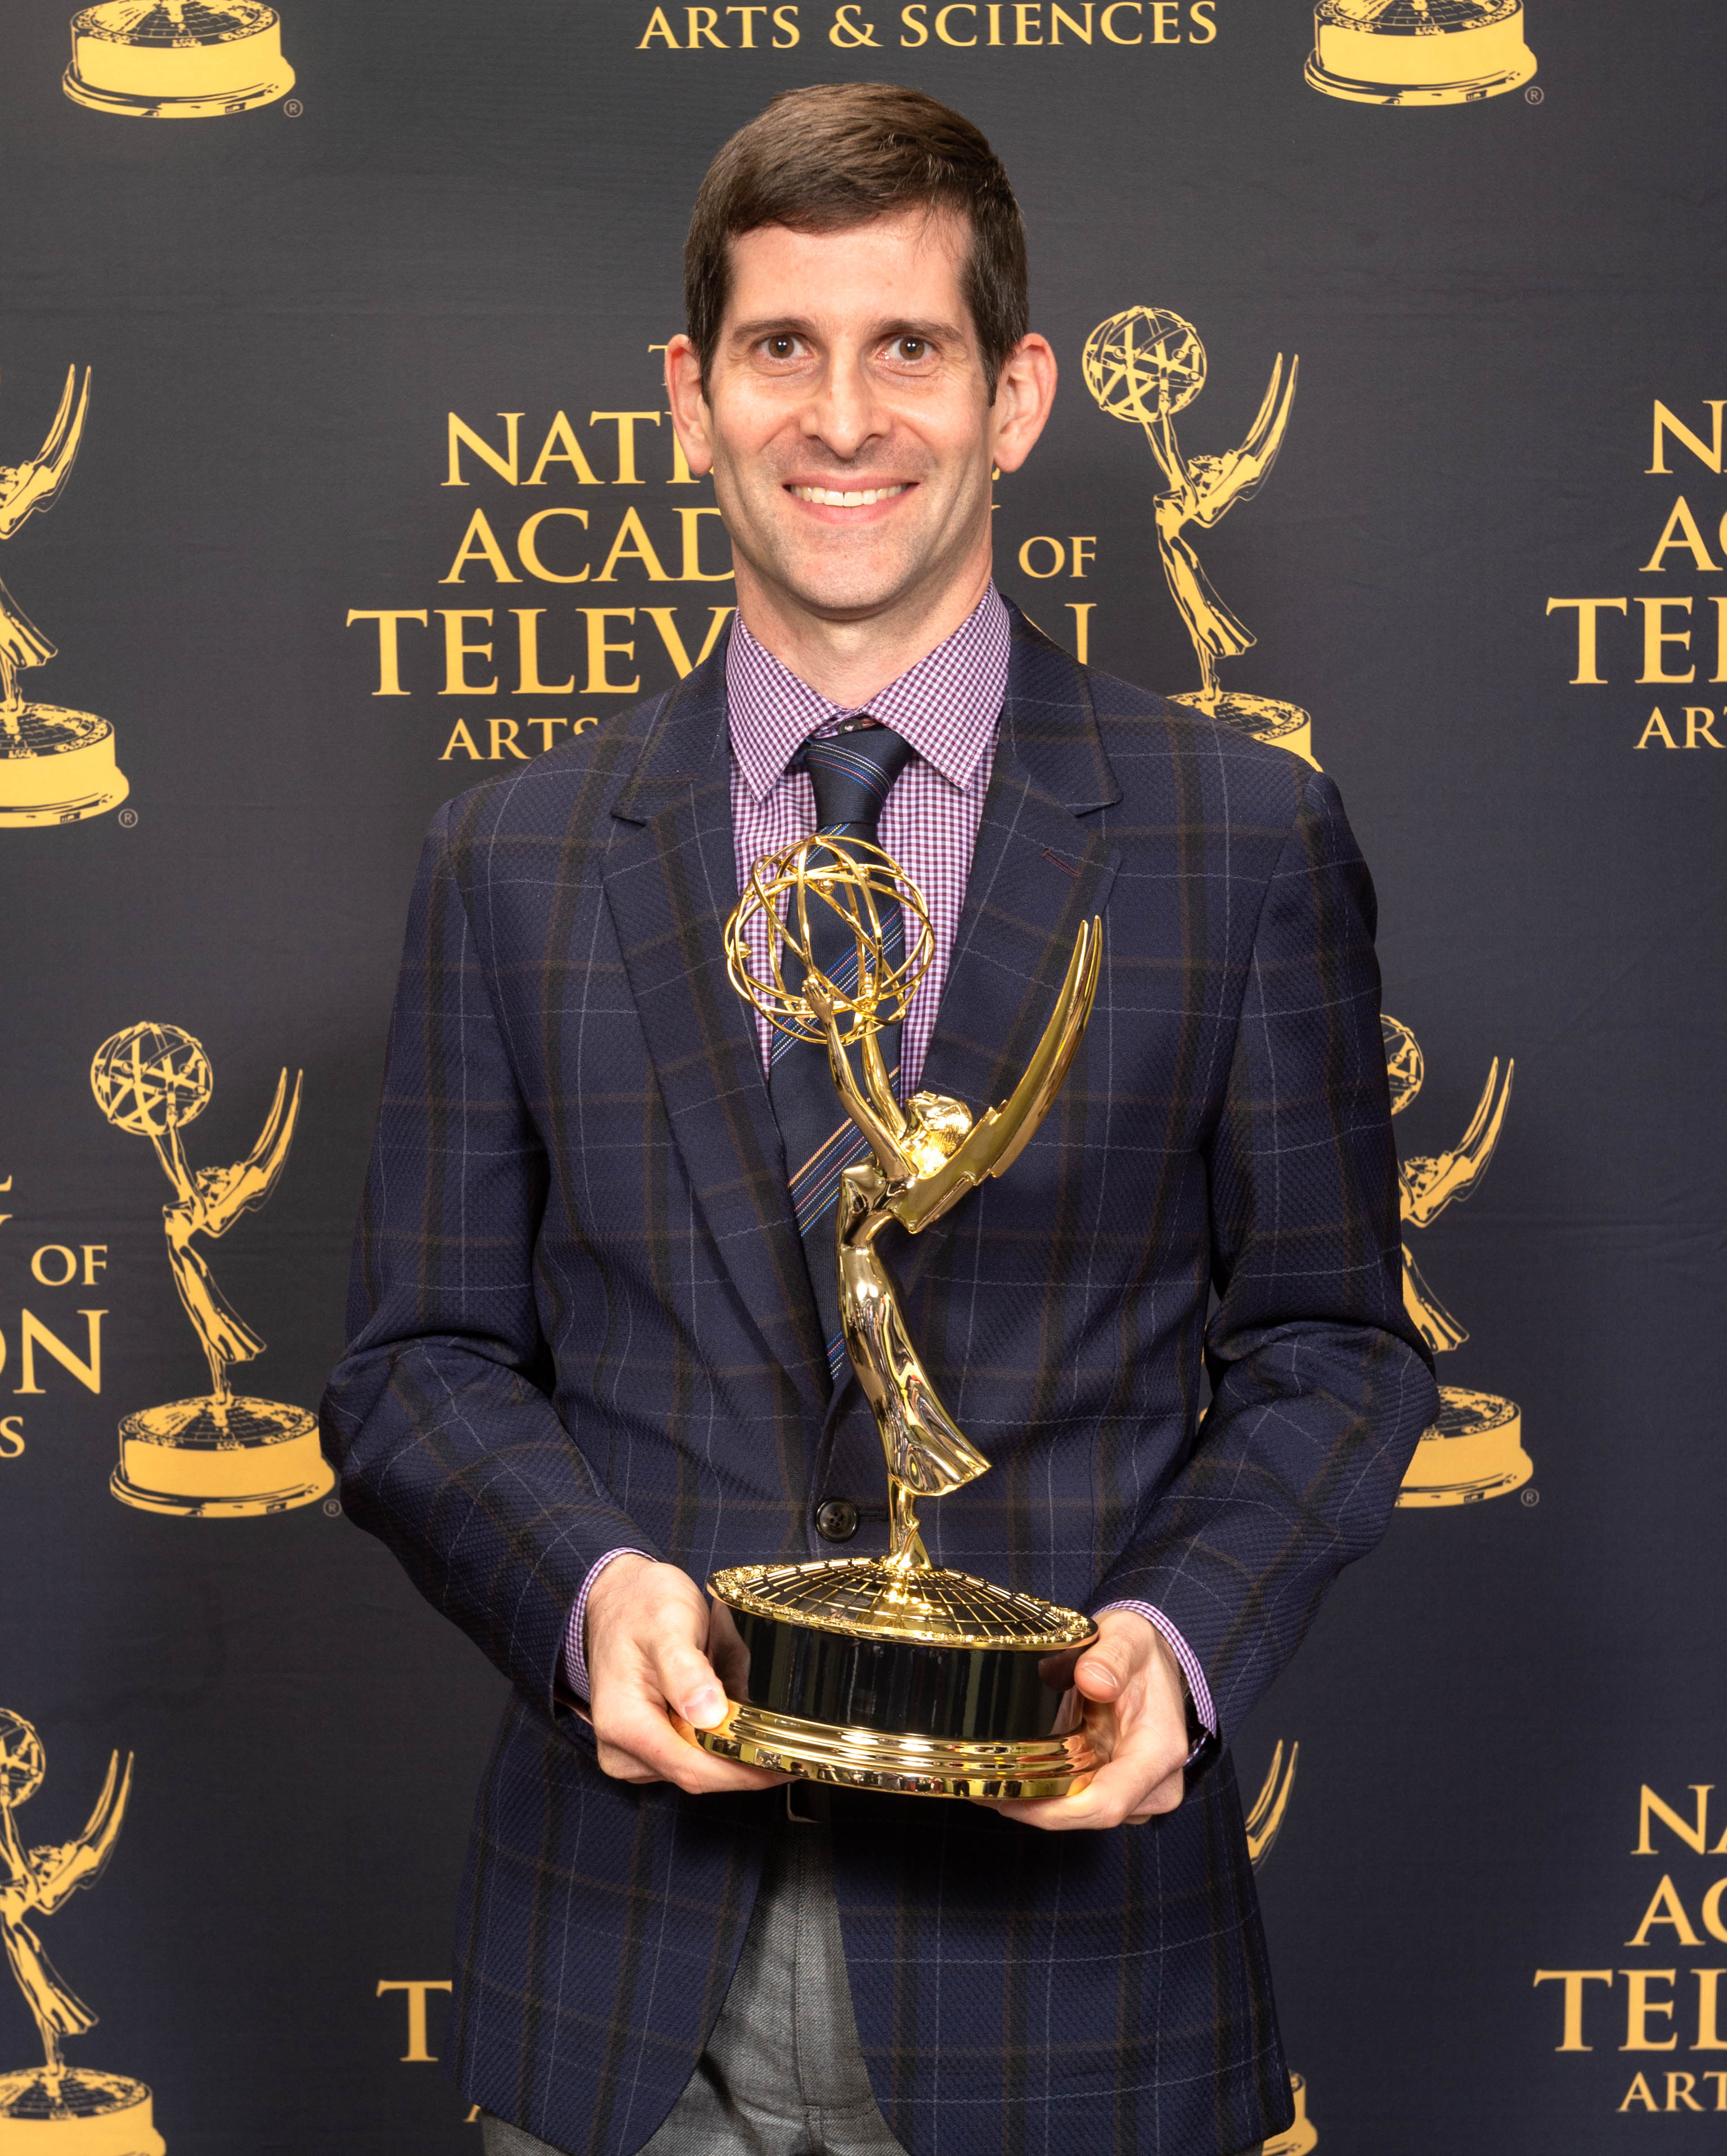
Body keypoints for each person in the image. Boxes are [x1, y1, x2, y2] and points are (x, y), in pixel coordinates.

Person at [321, 80, 1436, 2156]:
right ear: (691, 394)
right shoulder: (514, 858)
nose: (844, 418)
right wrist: (591, 1592)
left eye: (907, 347)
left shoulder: (1237, 835)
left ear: (1017, 399)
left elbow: (1332, 1351)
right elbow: (418, 1367)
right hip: (619, 2000)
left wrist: (1176, 1648)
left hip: (1078, 1999)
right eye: (782, 349)